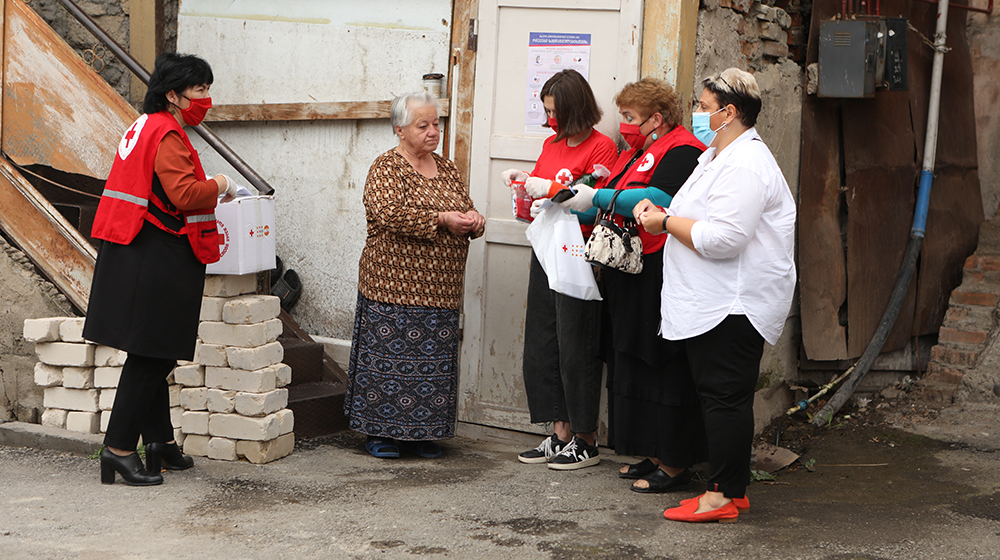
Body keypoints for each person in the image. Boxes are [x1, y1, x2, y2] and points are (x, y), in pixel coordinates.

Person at [634, 68, 796, 523]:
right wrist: (667, 213)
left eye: (704, 108)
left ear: (730, 112)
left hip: (733, 303)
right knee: (721, 398)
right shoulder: (716, 157)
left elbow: (725, 238)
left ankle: (720, 498)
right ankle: (732, 490)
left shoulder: (744, 163)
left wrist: (663, 223)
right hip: (714, 299)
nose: (698, 115)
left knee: (724, 399)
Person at [84, 52, 238, 486]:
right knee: (151, 355)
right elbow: (186, 195)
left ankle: (160, 444)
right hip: (155, 253)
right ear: (173, 95)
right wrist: (223, 185)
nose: (206, 99)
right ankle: (117, 449)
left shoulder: (144, 125)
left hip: (133, 247)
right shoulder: (168, 133)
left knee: (154, 350)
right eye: (199, 90)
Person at [553, 77, 706, 492]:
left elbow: (659, 198)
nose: (624, 127)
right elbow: (609, 192)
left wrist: (597, 199)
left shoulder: (684, 150)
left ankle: (674, 461)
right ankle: (651, 451)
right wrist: (566, 201)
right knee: (630, 360)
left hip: (658, 271)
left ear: (656, 118)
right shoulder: (633, 152)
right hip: (626, 273)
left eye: (630, 118)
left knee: (660, 361)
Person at [345, 91, 485, 459]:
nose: (432, 131)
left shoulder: (448, 169)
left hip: (440, 291)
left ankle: (423, 433)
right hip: (392, 287)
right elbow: (390, 213)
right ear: (399, 129)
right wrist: (442, 219)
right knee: (389, 363)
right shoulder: (387, 167)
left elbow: (463, 208)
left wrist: (474, 221)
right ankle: (382, 434)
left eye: (436, 124)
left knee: (431, 366)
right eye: (422, 125)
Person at [502, 69, 617, 470]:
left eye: (556, 112)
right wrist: (524, 187)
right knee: (543, 340)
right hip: (547, 248)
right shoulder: (552, 143)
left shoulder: (602, 148)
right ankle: (560, 432)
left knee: (577, 344)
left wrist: (546, 189)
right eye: (546, 111)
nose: (550, 120)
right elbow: (543, 192)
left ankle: (586, 436)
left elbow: (592, 200)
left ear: (576, 109)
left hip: (578, 253)